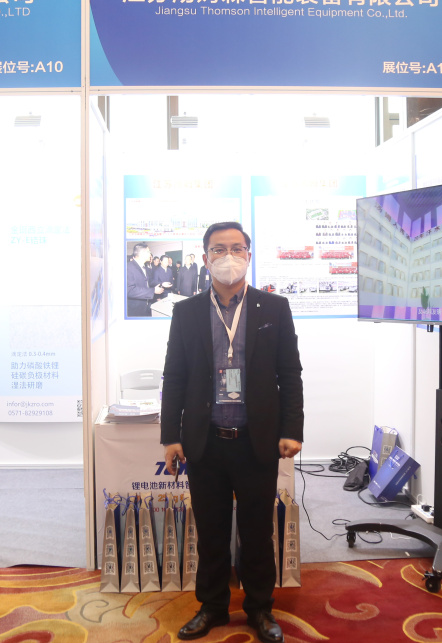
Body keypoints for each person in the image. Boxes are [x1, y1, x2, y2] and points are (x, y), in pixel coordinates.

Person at [161, 222, 303, 643]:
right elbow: (174, 376)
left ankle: (259, 609)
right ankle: (213, 607)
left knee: (257, 533)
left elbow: (289, 374)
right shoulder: (186, 312)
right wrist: (171, 435)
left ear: (249, 255)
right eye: (219, 249)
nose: (228, 256)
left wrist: (292, 428)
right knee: (211, 532)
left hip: (256, 441)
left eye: (236, 248)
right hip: (206, 442)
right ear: (205, 258)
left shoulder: (273, 308)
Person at [126, 242, 164, 316]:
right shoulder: (129, 267)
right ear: (142, 253)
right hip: (136, 310)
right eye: (148, 251)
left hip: (146, 306)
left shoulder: (144, 267)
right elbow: (130, 290)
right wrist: (153, 291)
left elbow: (149, 281)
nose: (150, 254)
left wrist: (162, 283)